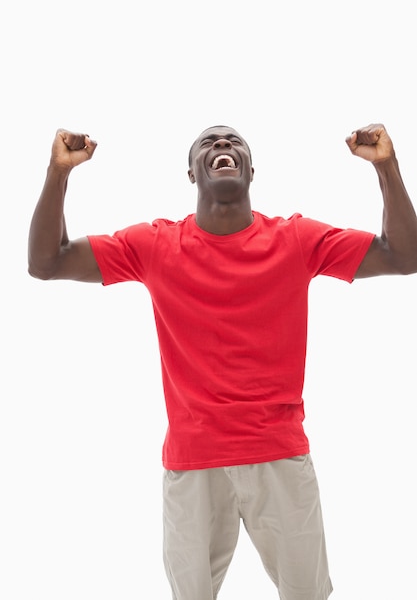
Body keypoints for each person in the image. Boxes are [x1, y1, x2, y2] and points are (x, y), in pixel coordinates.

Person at [28, 123, 417, 600]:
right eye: (208, 143)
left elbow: (403, 255)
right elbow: (46, 262)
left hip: (278, 455)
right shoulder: (154, 246)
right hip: (193, 463)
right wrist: (58, 173)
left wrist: (386, 166)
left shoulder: (295, 239)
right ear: (192, 173)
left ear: (251, 169)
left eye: (233, 142)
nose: (222, 146)